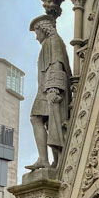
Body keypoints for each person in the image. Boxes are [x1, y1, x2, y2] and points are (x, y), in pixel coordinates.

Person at [27, 14, 72, 170]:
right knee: (47, 122)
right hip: (46, 88)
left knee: (41, 119)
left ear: (43, 29)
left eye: (36, 32)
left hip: (50, 89)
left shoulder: (52, 42)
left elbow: (56, 65)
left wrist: (53, 89)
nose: (36, 37)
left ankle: (46, 159)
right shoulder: (50, 43)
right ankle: (48, 159)